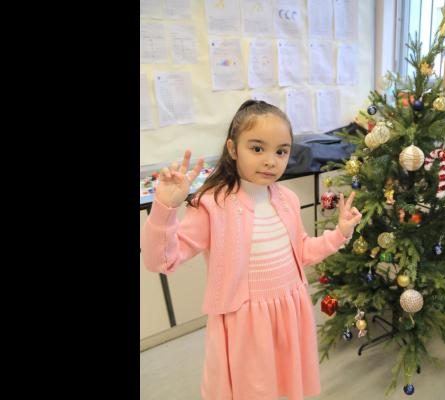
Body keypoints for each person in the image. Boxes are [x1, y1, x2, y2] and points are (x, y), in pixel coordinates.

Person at [141, 100, 362, 399]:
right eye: (257, 148)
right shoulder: (212, 204)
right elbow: (160, 261)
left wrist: (340, 234)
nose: (271, 161)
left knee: (284, 383)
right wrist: (164, 207)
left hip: (289, 311)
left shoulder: (287, 199)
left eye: (281, 151)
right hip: (245, 324)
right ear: (233, 149)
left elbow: (302, 252)